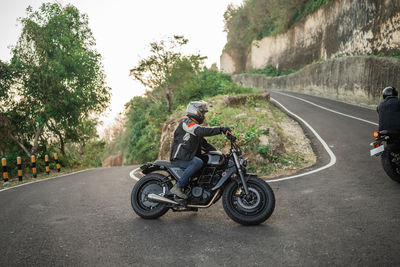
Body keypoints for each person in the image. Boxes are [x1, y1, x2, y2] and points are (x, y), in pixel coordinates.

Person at [169, 100, 231, 199]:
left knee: (206, 161)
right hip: (180, 157)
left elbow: (205, 145)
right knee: (197, 162)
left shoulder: (195, 128)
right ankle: (178, 187)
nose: (204, 116)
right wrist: (221, 129)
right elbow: (200, 131)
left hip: (188, 157)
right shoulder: (187, 123)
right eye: (203, 113)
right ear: (196, 112)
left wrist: (220, 155)